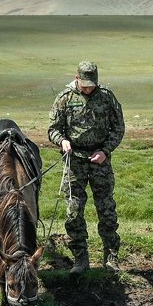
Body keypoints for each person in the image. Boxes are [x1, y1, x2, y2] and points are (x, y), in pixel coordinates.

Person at [47, 61, 125, 274]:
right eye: (85, 84)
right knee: (74, 212)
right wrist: (62, 141)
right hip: (75, 161)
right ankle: (80, 259)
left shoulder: (107, 97)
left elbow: (118, 128)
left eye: (92, 84)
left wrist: (106, 151)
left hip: (100, 159)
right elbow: (53, 129)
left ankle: (111, 258)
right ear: (77, 78)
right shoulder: (65, 98)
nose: (89, 88)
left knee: (107, 210)